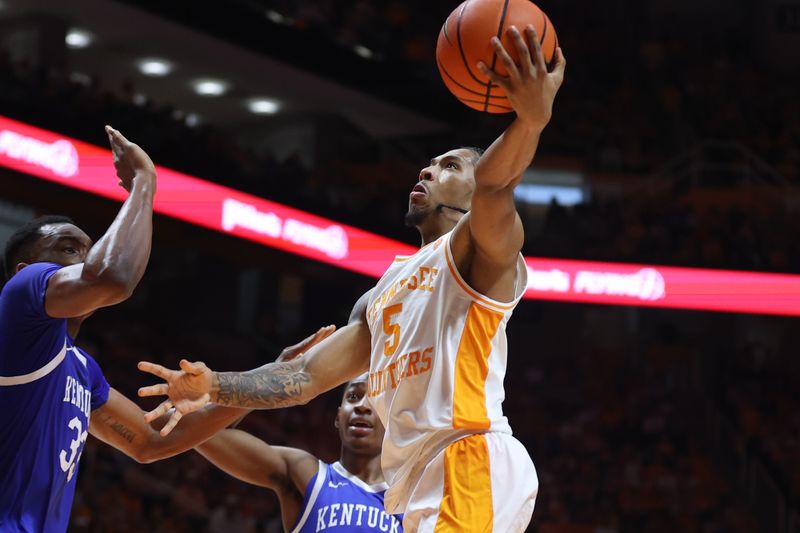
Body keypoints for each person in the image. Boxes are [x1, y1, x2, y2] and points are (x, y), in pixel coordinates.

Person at [140, 25, 565, 532]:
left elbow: (496, 183)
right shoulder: (380, 294)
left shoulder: (480, 253)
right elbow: (302, 379)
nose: (427, 172)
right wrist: (215, 387)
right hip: (421, 482)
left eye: (449, 166)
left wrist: (531, 121)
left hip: (468, 457)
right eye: (427, 165)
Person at [0, 126, 333, 532]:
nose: (83, 259)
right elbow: (113, 277)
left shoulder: (82, 369)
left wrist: (272, 374)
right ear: (27, 269)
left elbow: (151, 443)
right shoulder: (20, 298)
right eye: (69, 250)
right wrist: (143, 183)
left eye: (87, 250)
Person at [196, 374, 402, 532]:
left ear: (392, 420)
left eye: (376, 399)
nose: (362, 406)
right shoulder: (306, 474)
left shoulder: (411, 501)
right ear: (339, 416)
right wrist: (271, 378)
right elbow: (207, 432)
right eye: (353, 397)